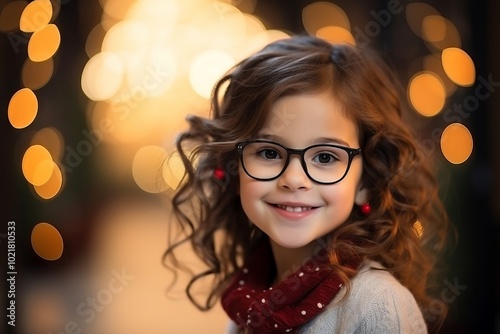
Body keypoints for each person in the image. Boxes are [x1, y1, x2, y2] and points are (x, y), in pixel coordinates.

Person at [163, 35, 451, 333]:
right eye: (269, 152)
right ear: (234, 170)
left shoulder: (378, 307)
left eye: (325, 157)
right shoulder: (249, 302)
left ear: (365, 180)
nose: (294, 179)